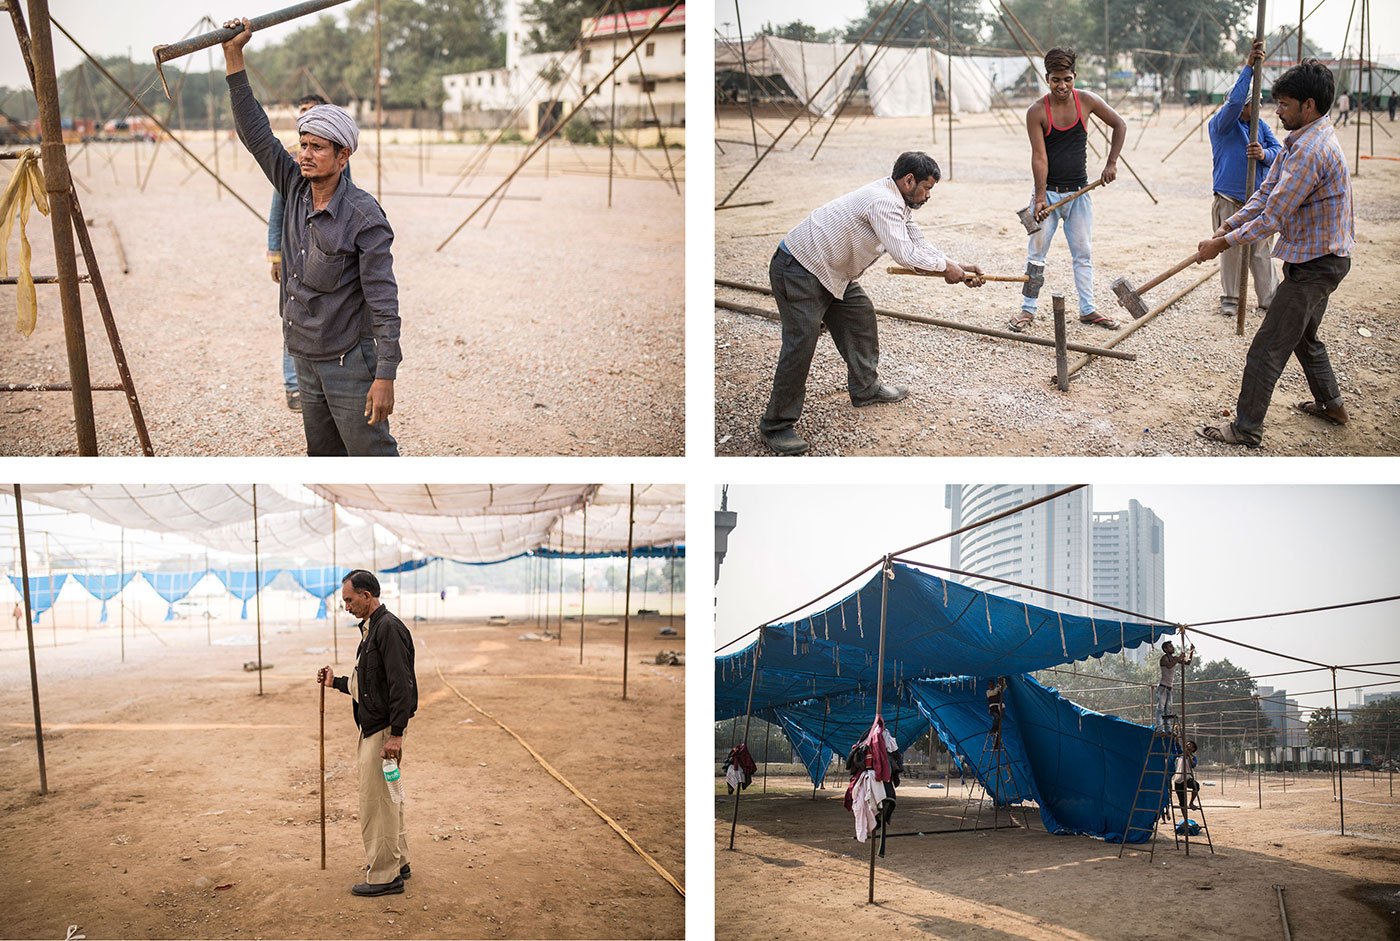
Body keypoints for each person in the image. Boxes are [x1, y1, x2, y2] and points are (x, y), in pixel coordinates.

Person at [223, 18, 401, 456]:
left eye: (317, 147)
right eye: (303, 145)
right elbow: (256, 135)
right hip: (303, 356)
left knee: (372, 456)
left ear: (343, 155)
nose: (304, 155)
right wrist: (234, 58)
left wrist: (385, 375)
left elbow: (383, 301)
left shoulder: (363, 217)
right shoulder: (295, 189)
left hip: (348, 362)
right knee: (321, 458)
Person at [759, 151, 985, 456]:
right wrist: (946, 269)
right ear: (908, 181)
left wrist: (955, 266)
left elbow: (917, 243)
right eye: (927, 188)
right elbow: (905, 254)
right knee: (801, 343)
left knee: (860, 316)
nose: (928, 195)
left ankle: (866, 388)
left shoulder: (899, 202)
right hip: (800, 268)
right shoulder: (883, 201)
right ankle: (776, 425)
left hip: (832, 273)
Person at [1195, 59, 1354, 449]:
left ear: (1309, 105)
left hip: (1318, 265)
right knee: (1304, 337)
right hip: (1317, 258)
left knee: (1266, 349)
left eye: (1284, 104)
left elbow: (1274, 216)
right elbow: (1265, 194)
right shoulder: (1296, 141)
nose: (1276, 110)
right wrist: (1229, 226)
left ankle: (1246, 428)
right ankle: (1332, 405)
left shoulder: (1309, 151)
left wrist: (1222, 244)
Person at [1010, 47, 1127, 334]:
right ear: (1046, 78)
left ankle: (1088, 310)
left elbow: (1119, 125)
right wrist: (1038, 198)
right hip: (1047, 196)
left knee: (1083, 253)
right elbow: (1039, 157)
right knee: (1036, 255)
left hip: (1080, 193)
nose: (1062, 86)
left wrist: (1111, 163)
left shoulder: (1086, 101)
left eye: (1067, 79)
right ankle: (1027, 310)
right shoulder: (1036, 111)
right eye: (1055, 80)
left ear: (1074, 77)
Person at [317, 569, 417, 897]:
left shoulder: (388, 629)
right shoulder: (372, 629)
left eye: (349, 599)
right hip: (377, 727)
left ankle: (385, 876)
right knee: (390, 799)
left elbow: (403, 685)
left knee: (376, 803)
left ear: (366, 596)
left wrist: (396, 734)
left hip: (382, 731)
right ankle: (397, 861)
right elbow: (370, 685)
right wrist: (336, 683)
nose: (345, 606)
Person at [269, 93, 351, 412]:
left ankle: (326, 387)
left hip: (325, 254)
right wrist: (274, 251)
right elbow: (278, 209)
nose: (306, 117)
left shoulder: (336, 161)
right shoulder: (293, 166)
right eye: (302, 113)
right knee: (292, 317)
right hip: (295, 251)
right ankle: (294, 385)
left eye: (312, 112)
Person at [1208, 41, 1282, 320]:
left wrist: (1263, 154)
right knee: (1230, 251)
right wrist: (1249, 67)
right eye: (1254, 102)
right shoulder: (1222, 125)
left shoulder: (1261, 127)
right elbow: (1236, 100)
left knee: (1261, 251)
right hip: (1229, 199)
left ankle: (1268, 298)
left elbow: (1280, 153)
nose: (1259, 106)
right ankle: (1230, 298)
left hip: (1257, 200)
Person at [1154, 640, 1194, 732]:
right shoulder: (1164, 658)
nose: (1173, 648)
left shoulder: (1174, 658)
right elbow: (1169, 666)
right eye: (1170, 647)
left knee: (1168, 710)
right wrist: (1179, 657)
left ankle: (1168, 729)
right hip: (1163, 687)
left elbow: (1187, 662)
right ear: (1165, 649)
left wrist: (1191, 652)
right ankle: (1160, 728)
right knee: (1160, 709)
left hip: (1169, 688)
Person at [986, 676, 1008, 749]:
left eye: (992, 684)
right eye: (990, 684)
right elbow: (994, 692)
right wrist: (998, 685)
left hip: (999, 708)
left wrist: (1002, 681)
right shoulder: (988, 692)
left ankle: (997, 744)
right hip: (993, 709)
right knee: (996, 717)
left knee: (999, 727)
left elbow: (1004, 687)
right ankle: (993, 730)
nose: (991, 685)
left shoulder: (998, 689)